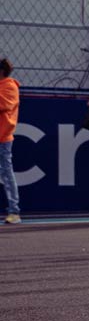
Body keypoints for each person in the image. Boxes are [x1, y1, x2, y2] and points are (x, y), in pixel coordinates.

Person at [0, 57, 18, 224]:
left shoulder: (10, 86)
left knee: (6, 171)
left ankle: (14, 210)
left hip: (3, 137)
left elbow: (4, 104)